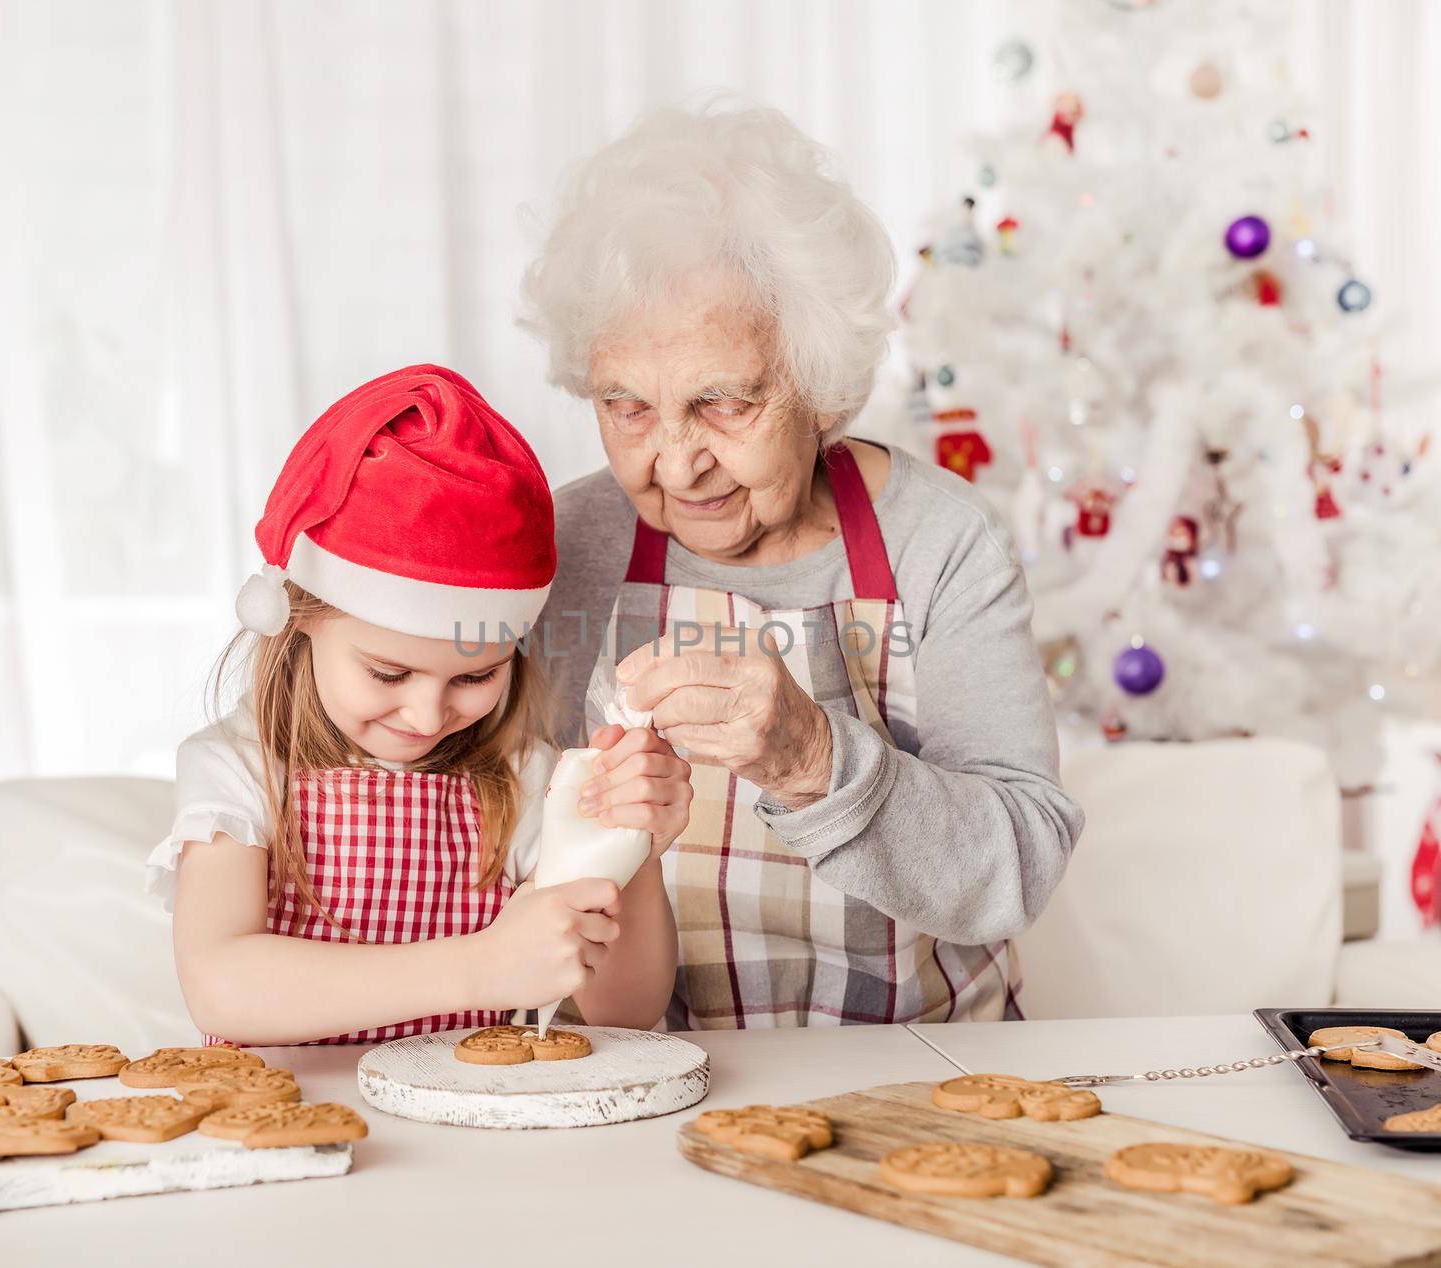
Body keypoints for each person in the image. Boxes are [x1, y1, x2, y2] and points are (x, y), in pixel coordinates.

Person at [522, 104, 1084, 1029]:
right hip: (642, 1074)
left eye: (723, 404)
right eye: (627, 407)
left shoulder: (940, 545)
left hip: (920, 1068)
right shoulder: (568, 543)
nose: (673, 463)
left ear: (819, 388)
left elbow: (1020, 865)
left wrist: (812, 758)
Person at [146, 365, 690, 1045]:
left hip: (470, 1135)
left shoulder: (523, 776)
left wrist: (629, 847)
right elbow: (222, 988)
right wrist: (479, 969)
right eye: (388, 672)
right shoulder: (239, 770)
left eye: (474, 677)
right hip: (294, 1126)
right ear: (298, 619)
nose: (428, 718)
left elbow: (627, 1011)